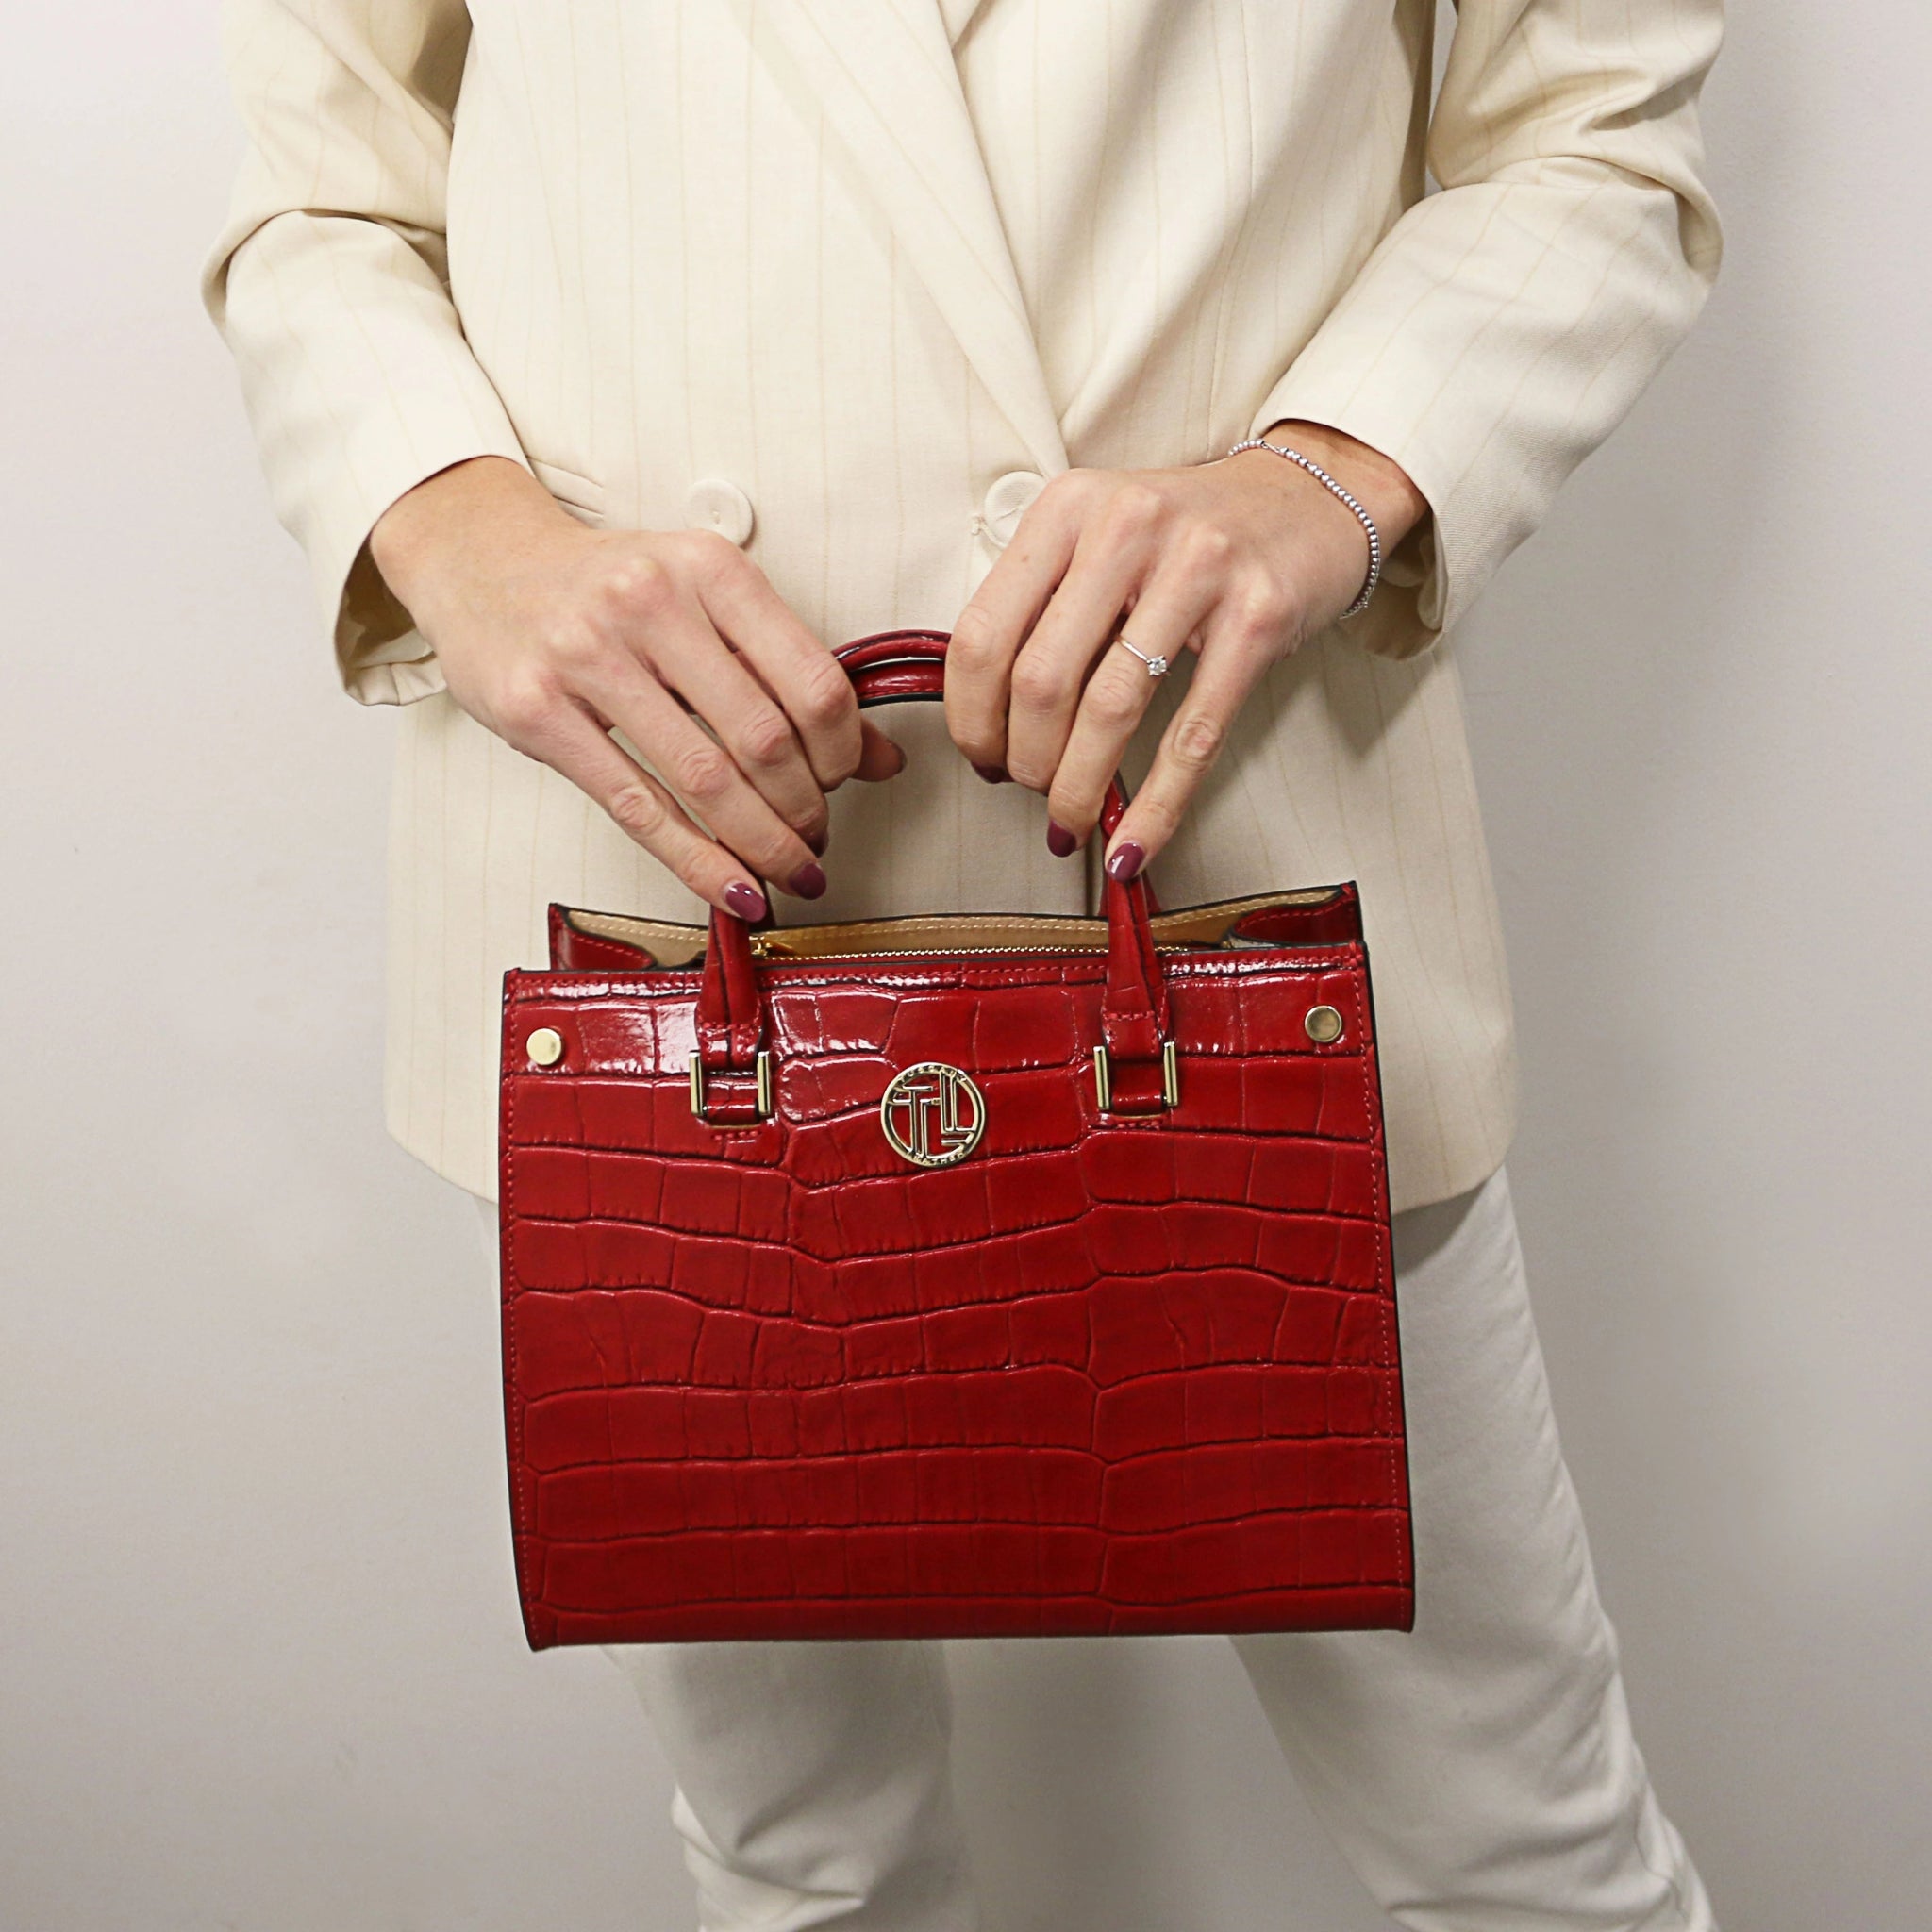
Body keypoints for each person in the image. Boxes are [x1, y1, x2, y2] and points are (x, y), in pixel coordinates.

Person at [200, 0, 1724, 1924]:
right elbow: (322, 194)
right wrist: (466, 538)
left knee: (1522, 1849)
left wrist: (1321, 479)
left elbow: (1592, 136)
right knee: (805, 1864)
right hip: (649, 878)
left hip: (1243, 891)